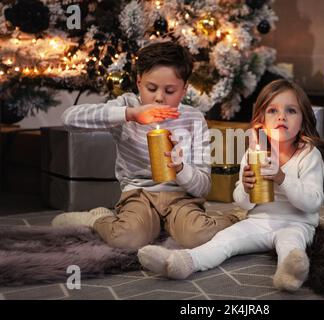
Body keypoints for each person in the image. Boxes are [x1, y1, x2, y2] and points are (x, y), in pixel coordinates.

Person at [137, 79, 324, 292]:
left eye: (291, 110)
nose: (281, 116)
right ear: (261, 119)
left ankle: (288, 274)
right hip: (260, 221)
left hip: (297, 223)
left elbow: (312, 203)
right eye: (272, 110)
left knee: (291, 245)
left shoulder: (308, 154)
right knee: (225, 239)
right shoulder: (255, 152)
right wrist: (247, 189)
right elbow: (242, 202)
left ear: (303, 117)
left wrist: (281, 178)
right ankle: (182, 262)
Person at [52, 41, 241, 250]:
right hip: (138, 194)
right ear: (139, 82)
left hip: (181, 198)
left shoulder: (194, 119)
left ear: (184, 89)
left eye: (170, 90)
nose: (159, 97)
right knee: (126, 239)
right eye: (151, 88)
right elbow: (69, 118)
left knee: (199, 236)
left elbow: (203, 187)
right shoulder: (127, 108)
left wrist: (180, 169)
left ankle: (237, 219)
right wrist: (129, 115)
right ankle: (96, 219)